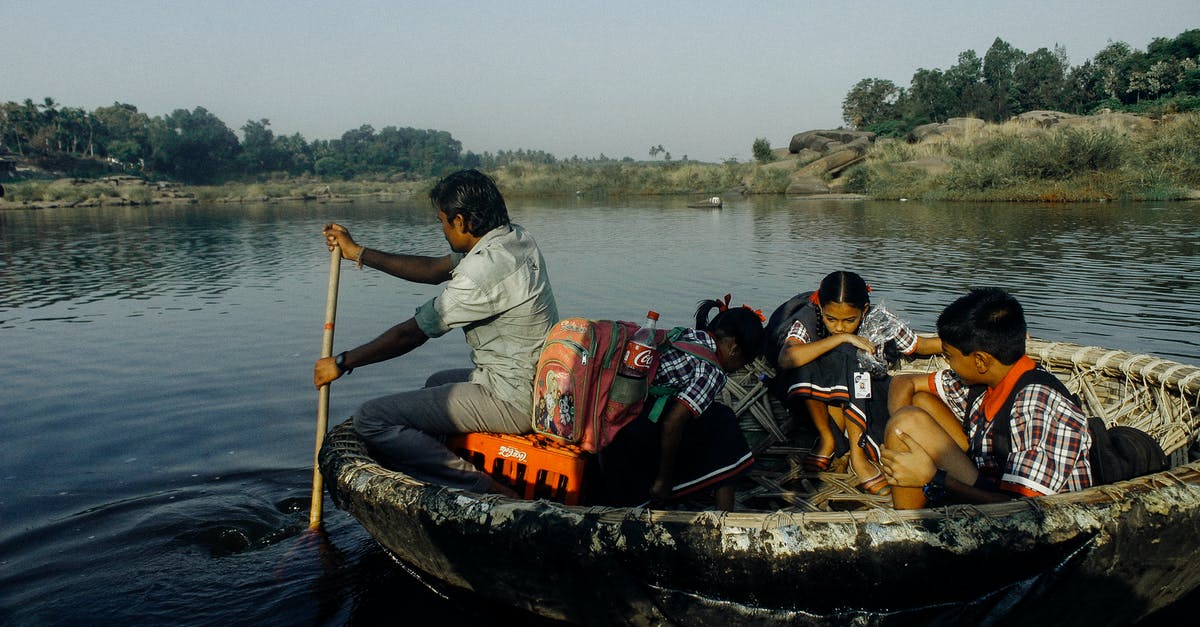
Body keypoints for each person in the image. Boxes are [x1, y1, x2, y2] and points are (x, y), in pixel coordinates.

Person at [313, 169, 559, 496]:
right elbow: (432, 270)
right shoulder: (513, 238)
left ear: (460, 222)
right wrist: (358, 252)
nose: (442, 230)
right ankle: (458, 466)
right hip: (536, 385)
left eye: (442, 221)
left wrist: (343, 362)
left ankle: (483, 490)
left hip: (513, 399)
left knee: (371, 418)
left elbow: (411, 334)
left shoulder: (479, 274)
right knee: (436, 381)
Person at [879, 287, 1093, 510]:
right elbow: (904, 383)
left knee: (903, 425)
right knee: (906, 422)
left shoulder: (1036, 405)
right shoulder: (987, 381)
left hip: (1033, 516)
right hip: (992, 486)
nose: (948, 363)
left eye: (949, 356)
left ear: (980, 361)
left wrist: (933, 478)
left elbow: (1029, 509)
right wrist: (899, 443)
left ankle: (912, 531)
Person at [765, 271, 942, 495]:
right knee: (832, 354)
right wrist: (842, 339)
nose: (839, 326)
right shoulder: (808, 319)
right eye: (832, 319)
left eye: (849, 320)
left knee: (851, 357)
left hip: (865, 393)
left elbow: (919, 346)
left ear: (864, 311)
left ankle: (858, 455)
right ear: (820, 308)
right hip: (817, 401)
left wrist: (963, 343)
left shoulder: (878, 320)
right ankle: (828, 438)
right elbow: (787, 358)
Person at [593, 296, 766, 511]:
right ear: (733, 348)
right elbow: (672, 424)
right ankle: (724, 514)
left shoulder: (687, 335)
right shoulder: (712, 370)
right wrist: (663, 480)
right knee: (724, 421)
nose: (738, 369)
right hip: (629, 435)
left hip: (610, 420)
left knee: (714, 414)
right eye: (744, 362)